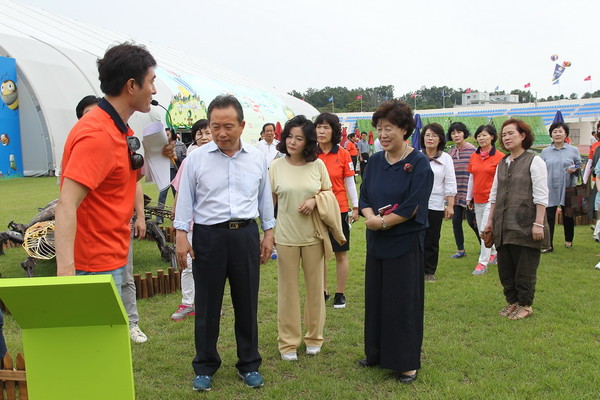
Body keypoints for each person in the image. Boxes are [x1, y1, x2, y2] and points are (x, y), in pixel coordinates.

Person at [174, 95, 274, 391]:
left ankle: (249, 363)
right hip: (208, 237)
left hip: (245, 235)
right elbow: (185, 200)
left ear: (242, 125)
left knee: (247, 302)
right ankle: (204, 365)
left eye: (228, 126)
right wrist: (181, 235)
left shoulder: (256, 158)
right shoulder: (196, 159)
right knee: (206, 304)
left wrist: (268, 232)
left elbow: (264, 198)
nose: (221, 133)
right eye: (215, 126)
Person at [55, 43, 161, 291]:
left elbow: (121, 180)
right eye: (151, 82)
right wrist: (66, 274)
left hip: (112, 256)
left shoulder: (118, 128)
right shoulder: (97, 134)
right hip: (93, 267)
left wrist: (158, 155)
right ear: (132, 85)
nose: (154, 90)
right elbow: (66, 204)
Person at [358, 100, 433, 384]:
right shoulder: (376, 161)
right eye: (379, 129)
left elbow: (413, 205)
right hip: (377, 240)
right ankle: (375, 353)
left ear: (404, 129)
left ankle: (405, 363)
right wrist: (370, 218)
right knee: (376, 299)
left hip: (403, 242)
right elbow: (365, 196)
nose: (383, 134)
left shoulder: (419, 162)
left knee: (402, 303)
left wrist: (385, 222)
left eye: (389, 128)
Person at [74, 94, 148, 343]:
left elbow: (135, 181)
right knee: (95, 298)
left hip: (117, 231)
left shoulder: (124, 139)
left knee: (125, 277)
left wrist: (140, 216)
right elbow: (67, 202)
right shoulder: (86, 144)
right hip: (89, 239)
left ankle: (131, 324)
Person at [269, 115, 344, 361]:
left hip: (314, 236)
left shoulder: (318, 166)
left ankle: (314, 337)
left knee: (315, 290)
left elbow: (328, 194)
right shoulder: (276, 166)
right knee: (287, 291)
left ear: (308, 141)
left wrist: (315, 200)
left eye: (298, 138)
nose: (292, 141)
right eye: (289, 136)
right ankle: (288, 342)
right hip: (285, 237)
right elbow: (269, 203)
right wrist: (267, 233)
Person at [483, 118, 548, 319]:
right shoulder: (502, 162)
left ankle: (526, 305)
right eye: (504, 134)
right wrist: (490, 222)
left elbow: (541, 195)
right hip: (503, 224)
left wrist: (538, 223)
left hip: (526, 224)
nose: (507, 137)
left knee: (525, 268)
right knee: (506, 267)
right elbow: (494, 195)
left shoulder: (534, 160)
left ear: (523, 135)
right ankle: (513, 302)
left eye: (511, 133)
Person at [169, 120, 213, 321]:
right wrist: (176, 212)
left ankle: (208, 304)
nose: (204, 137)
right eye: (199, 134)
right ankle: (188, 303)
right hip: (190, 223)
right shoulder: (189, 160)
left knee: (208, 265)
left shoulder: (219, 159)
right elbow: (180, 190)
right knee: (187, 263)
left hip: (210, 223)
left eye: (207, 133)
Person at [315, 112, 359, 308]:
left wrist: (355, 207)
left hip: (339, 209)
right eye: (318, 127)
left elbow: (350, 183)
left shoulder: (343, 153)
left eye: (326, 127)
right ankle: (322, 290)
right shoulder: (310, 153)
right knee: (318, 253)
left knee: (340, 252)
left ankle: (340, 293)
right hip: (315, 209)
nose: (321, 131)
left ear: (334, 131)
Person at [467, 125, 504, 275]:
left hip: (492, 199)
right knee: (482, 228)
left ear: (492, 137)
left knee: (484, 230)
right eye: (479, 136)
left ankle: (482, 264)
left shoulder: (500, 157)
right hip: (478, 198)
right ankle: (493, 253)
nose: (481, 138)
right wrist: (469, 197)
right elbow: (472, 177)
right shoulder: (474, 156)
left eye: (484, 135)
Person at [421, 123, 456, 282]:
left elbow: (450, 182)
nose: (430, 138)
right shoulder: (416, 156)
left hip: (435, 204)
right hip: (416, 204)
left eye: (434, 135)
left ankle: (429, 271)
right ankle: (415, 268)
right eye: (427, 135)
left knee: (432, 238)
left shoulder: (446, 158)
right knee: (415, 237)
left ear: (440, 139)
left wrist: (450, 205)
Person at [540, 122, 582, 252]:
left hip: (568, 187)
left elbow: (579, 165)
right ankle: (548, 244)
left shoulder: (573, 150)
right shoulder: (545, 151)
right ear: (551, 134)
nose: (557, 134)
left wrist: (574, 169)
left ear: (566, 134)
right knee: (549, 216)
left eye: (560, 131)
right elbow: (540, 168)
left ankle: (568, 240)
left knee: (568, 215)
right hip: (550, 187)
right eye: (555, 132)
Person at [447, 122, 479, 259]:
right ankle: (460, 250)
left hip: (469, 193)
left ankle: (486, 245)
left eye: (458, 132)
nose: (456, 135)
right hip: (456, 193)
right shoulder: (451, 153)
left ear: (464, 133)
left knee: (473, 221)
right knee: (456, 222)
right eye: (453, 133)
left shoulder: (473, 151)